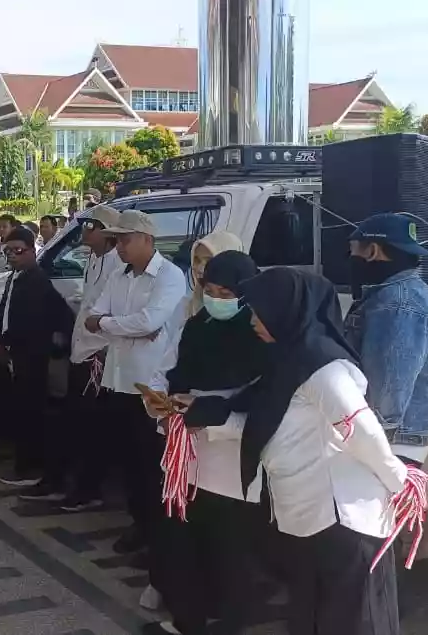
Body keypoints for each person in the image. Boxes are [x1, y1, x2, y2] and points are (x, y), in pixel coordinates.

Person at [183, 268, 416, 635]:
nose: (254, 320)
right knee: (312, 613)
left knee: (351, 619)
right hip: (305, 512)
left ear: (288, 310)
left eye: (261, 310)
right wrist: (207, 421)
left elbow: (363, 432)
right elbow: (272, 426)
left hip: (341, 515)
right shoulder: (286, 362)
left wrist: (400, 483)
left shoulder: (325, 367)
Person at [144, 249, 267, 635]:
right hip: (188, 453)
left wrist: (207, 410)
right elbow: (166, 371)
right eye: (210, 289)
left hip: (232, 458)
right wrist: (160, 403)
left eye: (226, 293)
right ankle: (188, 621)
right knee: (185, 540)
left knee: (232, 548)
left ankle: (232, 621)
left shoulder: (260, 333)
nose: (216, 299)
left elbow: (263, 396)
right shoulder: (196, 325)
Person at [82, 210, 186, 553]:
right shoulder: (118, 275)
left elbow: (151, 321)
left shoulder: (169, 276)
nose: (120, 247)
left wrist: (110, 323)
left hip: (151, 386)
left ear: (147, 240)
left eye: (125, 240)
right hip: (118, 381)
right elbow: (91, 318)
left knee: (152, 463)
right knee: (129, 461)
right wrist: (124, 325)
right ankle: (139, 524)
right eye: (117, 240)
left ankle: (158, 534)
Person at [344, 214, 428, 465]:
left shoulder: (397, 303)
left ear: (372, 251)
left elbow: (388, 386)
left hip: (387, 443)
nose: (350, 259)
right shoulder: (404, 295)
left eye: (353, 251)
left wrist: (366, 441)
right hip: (393, 441)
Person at [49, 205, 122, 510]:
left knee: (93, 427)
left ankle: (89, 490)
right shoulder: (94, 260)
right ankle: (77, 484)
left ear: (107, 232)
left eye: (91, 226)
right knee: (77, 422)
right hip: (83, 351)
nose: (85, 231)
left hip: (98, 356)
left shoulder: (118, 265)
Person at [0, 226, 75, 488]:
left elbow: (58, 319)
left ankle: (29, 468)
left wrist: (53, 348)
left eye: (18, 251)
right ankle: (26, 464)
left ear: (32, 250)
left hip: (34, 359)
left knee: (31, 415)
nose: (12, 256)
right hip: (19, 356)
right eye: (8, 251)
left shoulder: (38, 281)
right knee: (22, 412)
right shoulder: (16, 277)